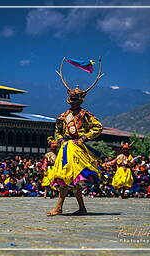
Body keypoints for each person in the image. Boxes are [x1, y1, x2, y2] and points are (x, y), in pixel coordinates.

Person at [45, 57, 104, 215]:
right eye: (71, 101)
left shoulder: (85, 114)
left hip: (77, 148)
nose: (72, 103)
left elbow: (98, 127)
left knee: (70, 178)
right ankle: (78, 208)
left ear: (80, 100)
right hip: (65, 148)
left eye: (75, 101)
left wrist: (84, 138)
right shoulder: (63, 116)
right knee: (68, 178)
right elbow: (57, 130)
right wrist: (59, 140)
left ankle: (60, 208)